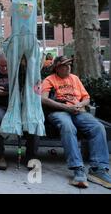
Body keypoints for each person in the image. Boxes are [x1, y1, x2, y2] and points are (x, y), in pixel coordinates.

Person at [41, 55, 111, 189]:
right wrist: (66, 107)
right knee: (68, 126)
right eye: (65, 65)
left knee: (98, 127)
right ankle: (78, 168)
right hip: (59, 111)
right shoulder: (49, 79)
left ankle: (98, 170)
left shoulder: (75, 78)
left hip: (78, 111)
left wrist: (79, 105)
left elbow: (87, 98)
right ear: (57, 68)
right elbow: (43, 99)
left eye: (69, 65)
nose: (68, 67)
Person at [0, 52, 39, 170]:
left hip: (18, 106)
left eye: (8, 65)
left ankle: (30, 156)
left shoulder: (19, 73)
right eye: (2, 66)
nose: (6, 68)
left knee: (33, 120)